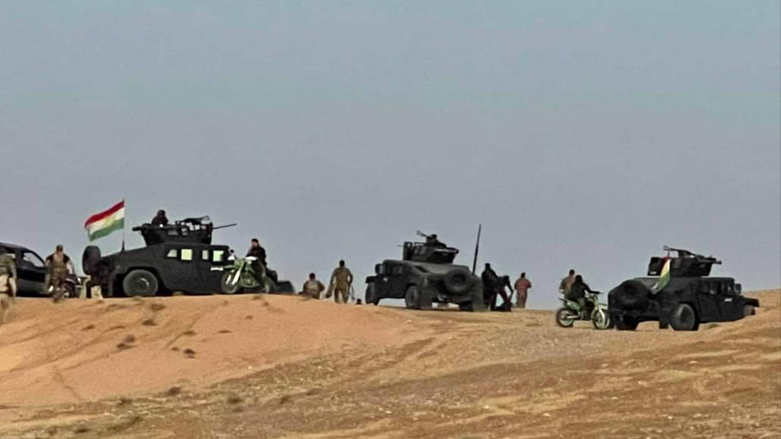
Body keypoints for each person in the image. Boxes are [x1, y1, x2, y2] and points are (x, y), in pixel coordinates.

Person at [0, 251, 18, 324]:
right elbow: (13, 288)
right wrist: (14, 298)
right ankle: (3, 320)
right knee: (6, 308)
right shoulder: (8, 279)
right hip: (4, 294)